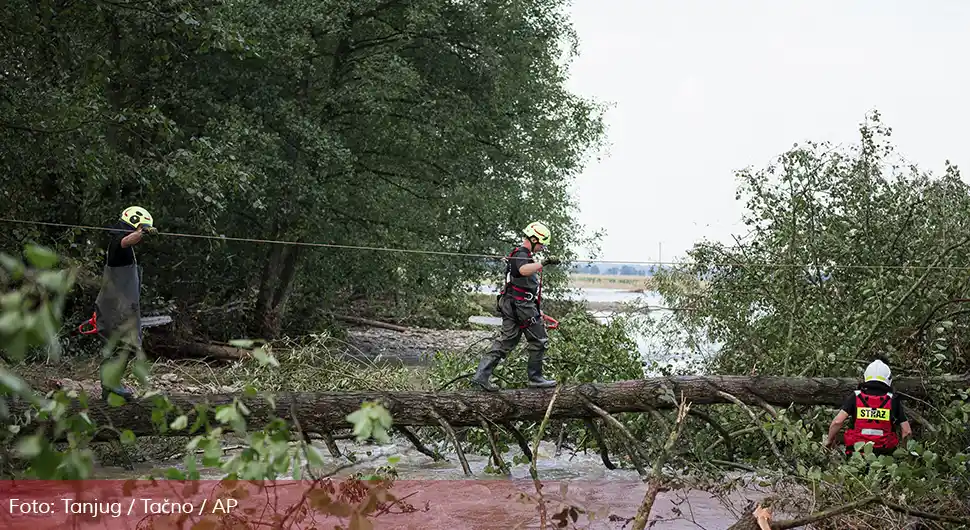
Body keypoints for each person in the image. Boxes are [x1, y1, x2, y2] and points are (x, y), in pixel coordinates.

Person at [470, 221, 561, 392]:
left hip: (515, 304)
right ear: (533, 239)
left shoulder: (523, 255)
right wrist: (545, 262)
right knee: (539, 340)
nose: (542, 247)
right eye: (541, 243)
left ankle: (480, 377)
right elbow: (523, 271)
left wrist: (536, 308)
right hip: (520, 305)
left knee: (506, 342)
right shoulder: (521, 255)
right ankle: (536, 379)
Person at [95, 206, 157, 400]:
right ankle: (111, 384)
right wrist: (142, 232)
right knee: (124, 344)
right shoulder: (118, 243)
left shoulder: (122, 247)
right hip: (117, 307)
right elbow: (126, 241)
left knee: (122, 345)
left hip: (120, 304)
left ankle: (109, 387)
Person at [824, 359, 912, 457]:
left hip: (857, 453)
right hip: (884, 455)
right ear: (888, 379)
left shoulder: (856, 396)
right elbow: (906, 431)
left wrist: (829, 441)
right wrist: (904, 452)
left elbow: (837, 422)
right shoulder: (893, 400)